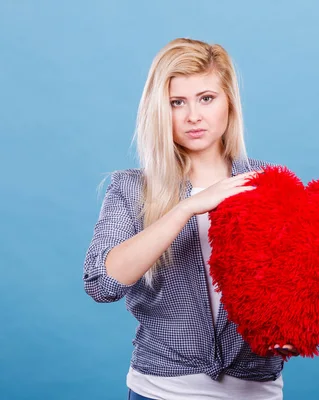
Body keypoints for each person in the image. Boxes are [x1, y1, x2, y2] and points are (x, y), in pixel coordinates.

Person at [83, 38, 297, 400]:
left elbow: (297, 284)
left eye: (206, 98)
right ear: (159, 110)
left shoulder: (268, 184)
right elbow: (102, 284)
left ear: (229, 101)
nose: (193, 116)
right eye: (176, 103)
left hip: (255, 389)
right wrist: (185, 209)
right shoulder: (131, 189)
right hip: (160, 391)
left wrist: (292, 329)